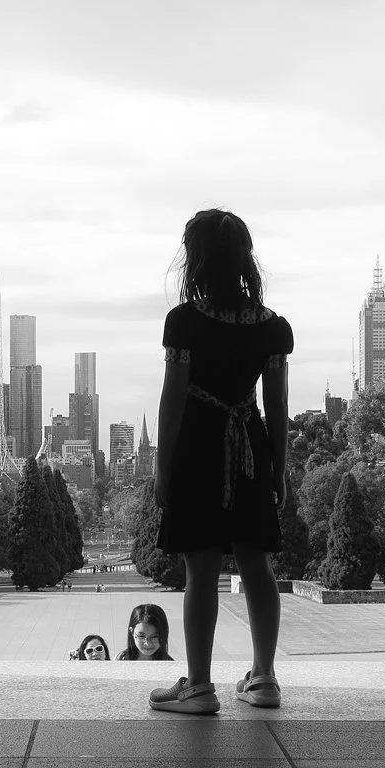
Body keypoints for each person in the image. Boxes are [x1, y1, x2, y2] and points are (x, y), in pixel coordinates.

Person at [148, 208, 291, 715]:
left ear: (198, 260)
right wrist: (281, 466)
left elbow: (174, 399)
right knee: (257, 563)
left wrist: (162, 468)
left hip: (198, 446)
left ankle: (201, 686)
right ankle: (264, 679)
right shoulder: (272, 327)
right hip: (250, 443)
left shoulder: (184, 321)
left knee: (201, 567)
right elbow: (276, 405)